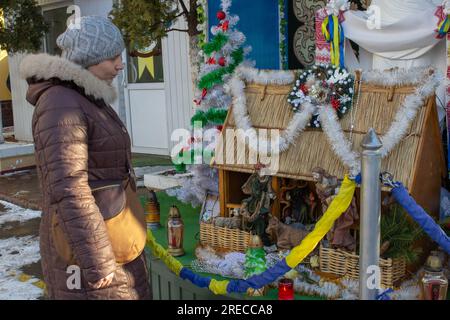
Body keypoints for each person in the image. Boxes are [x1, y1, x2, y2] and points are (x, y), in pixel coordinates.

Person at [20, 16, 151, 300]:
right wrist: (98, 261)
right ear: (89, 58)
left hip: (111, 239)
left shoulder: (86, 97)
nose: (120, 64)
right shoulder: (60, 103)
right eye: (112, 57)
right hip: (90, 256)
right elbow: (68, 188)